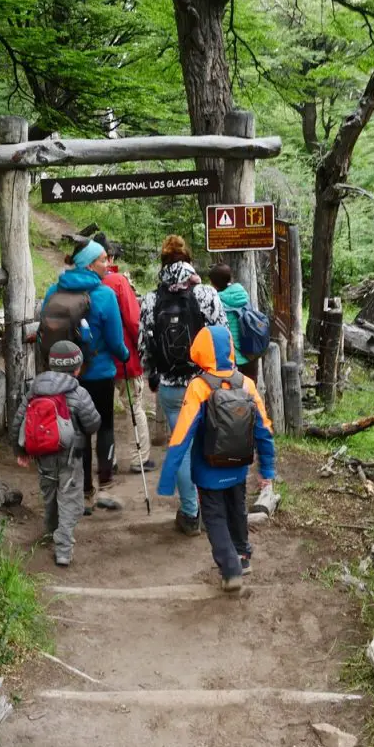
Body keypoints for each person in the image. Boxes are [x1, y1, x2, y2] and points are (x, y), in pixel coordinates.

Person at [157, 324, 275, 592]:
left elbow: (182, 436)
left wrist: (167, 481)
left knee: (215, 518)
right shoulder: (246, 384)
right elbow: (264, 430)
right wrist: (267, 469)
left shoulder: (199, 387)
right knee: (237, 509)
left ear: (200, 351)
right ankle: (243, 556)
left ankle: (231, 570)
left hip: (208, 470)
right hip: (239, 466)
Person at [139, 234, 227, 535]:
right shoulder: (207, 295)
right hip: (207, 383)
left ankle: (190, 514)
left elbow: (144, 346)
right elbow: (222, 338)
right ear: (189, 260)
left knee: (183, 450)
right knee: (212, 445)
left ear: (163, 264)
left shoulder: (151, 300)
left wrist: (153, 376)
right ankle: (217, 509)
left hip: (172, 388)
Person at [42, 240, 130, 506]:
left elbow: (45, 330)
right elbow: (115, 341)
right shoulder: (104, 295)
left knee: (76, 429)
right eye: (103, 260)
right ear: (90, 264)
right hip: (100, 373)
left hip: (65, 376)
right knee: (103, 426)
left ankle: (83, 488)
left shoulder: (53, 291)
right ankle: (104, 479)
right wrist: (125, 355)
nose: (108, 264)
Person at [11, 341, 101, 567]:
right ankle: (63, 548)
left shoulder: (34, 389)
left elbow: (18, 421)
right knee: (70, 498)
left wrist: (19, 450)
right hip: (71, 455)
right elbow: (92, 424)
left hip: (43, 454)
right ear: (77, 368)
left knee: (49, 493)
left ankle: (52, 530)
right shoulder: (79, 393)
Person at [98, 235, 154, 474]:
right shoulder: (119, 282)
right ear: (109, 257)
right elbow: (133, 320)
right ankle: (138, 458)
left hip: (97, 360)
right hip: (124, 357)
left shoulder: (85, 284)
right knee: (134, 407)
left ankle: (106, 460)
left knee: (101, 411)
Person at [209, 262, 259, 382]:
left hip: (232, 358)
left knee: (234, 397)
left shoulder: (217, 302)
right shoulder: (242, 294)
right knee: (250, 394)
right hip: (251, 355)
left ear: (213, 283)